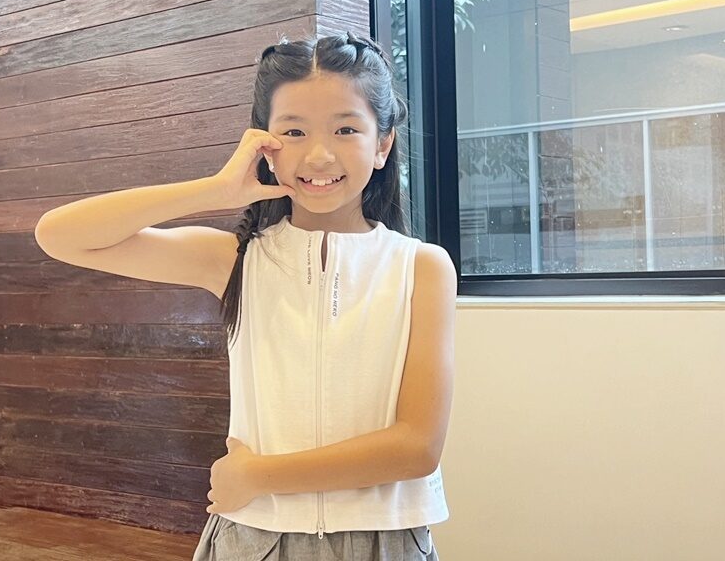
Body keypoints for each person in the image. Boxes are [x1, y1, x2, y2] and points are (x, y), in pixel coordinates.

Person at [34, 30, 456, 560]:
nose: (319, 154)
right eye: (294, 131)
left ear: (383, 144)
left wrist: (259, 475)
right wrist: (214, 189)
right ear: (264, 146)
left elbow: (417, 448)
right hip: (255, 538)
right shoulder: (237, 258)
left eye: (346, 129)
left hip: (383, 538)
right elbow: (59, 235)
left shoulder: (421, 267)